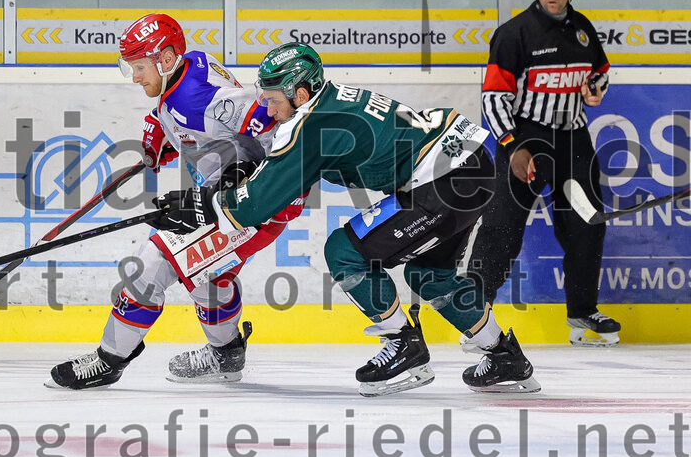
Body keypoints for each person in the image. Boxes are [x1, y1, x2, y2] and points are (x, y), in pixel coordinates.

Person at [154, 42, 540, 396]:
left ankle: (402, 344)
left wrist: (198, 203)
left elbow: (254, 206)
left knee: (343, 250)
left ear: (299, 94)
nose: (268, 111)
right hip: (473, 162)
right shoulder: (332, 100)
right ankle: (504, 355)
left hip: (443, 178)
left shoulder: (311, 125)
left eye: (272, 101)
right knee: (429, 275)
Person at [47, 13, 304, 389]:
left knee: (152, 265)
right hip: (234, 200)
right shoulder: (189, 69)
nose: (134, 76)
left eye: (139, 67)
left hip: (254, 204)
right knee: (208, 278)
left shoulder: (196, 98)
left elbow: (271, 117)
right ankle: (226, 354)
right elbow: (211, 124)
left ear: (166, 60)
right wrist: (164, 126)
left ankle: (109, 359)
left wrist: (233, 182)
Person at [468, 0, 618, 347]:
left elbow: (600, 72)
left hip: (573, 139)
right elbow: (494, 99)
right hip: (525, 139)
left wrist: (595, 90)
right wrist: (512, 146)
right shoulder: (514, 34)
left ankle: (583, 314)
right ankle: (471, 314)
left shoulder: (583, 30)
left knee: (587, 225)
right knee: (502, 228)